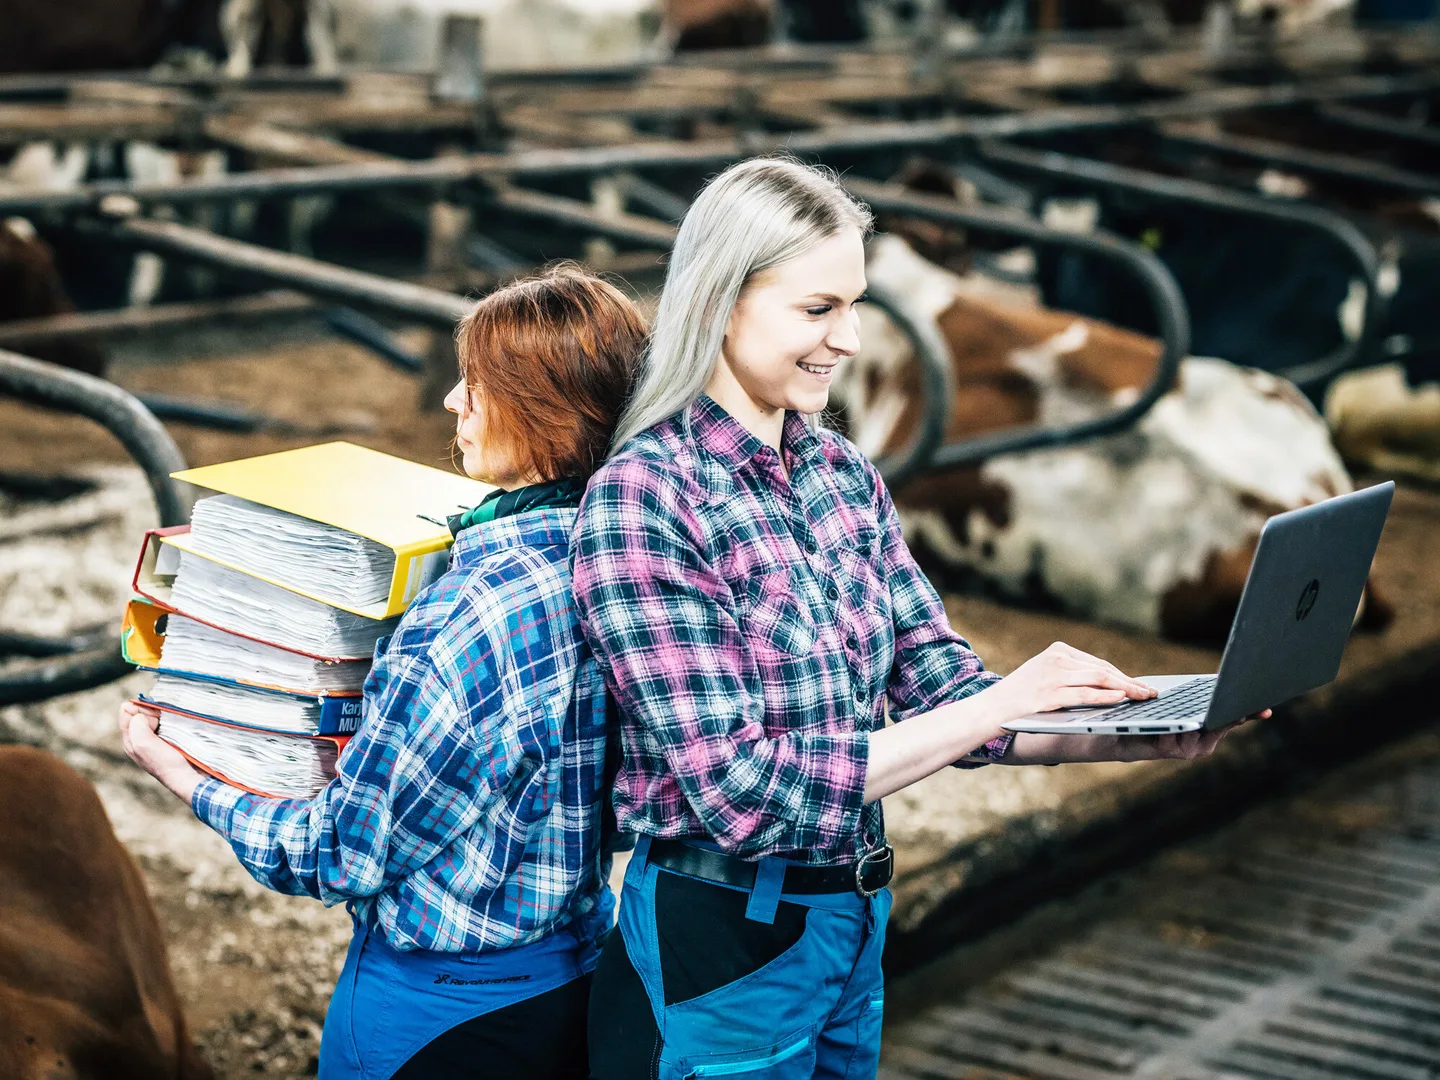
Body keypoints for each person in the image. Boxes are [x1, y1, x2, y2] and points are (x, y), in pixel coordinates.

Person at [570, 157, 1268, 1080]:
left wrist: (1129, 730)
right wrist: (990, 709)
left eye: (855, 305)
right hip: (722, 937)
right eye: (818, 310)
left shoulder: (840, 474)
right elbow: (739, 792)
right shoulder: (646, 502)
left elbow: (944, 687)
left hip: (851, 921)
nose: (851, 339)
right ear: (722, 302)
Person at [119, 266, 647, 1080]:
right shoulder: (618, 561)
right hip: (576, 975)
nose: (451, 403)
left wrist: (181, 772)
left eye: (476, 384)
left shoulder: (463, 616)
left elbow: (337, 853)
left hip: (442, 1014)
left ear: (543, 414)